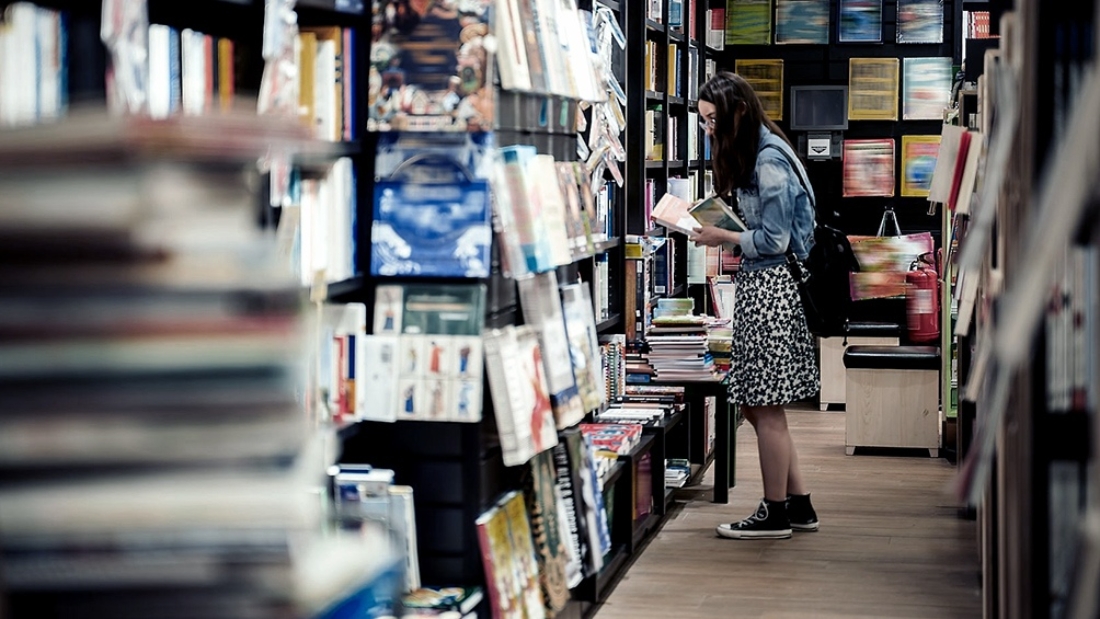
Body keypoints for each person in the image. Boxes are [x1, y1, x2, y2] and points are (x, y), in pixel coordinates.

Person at [692, 71, 821, 540]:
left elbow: (774, 239)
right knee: (757, 405)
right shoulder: (758, 150)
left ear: (738, 112)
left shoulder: (769, 161)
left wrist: (720, 234)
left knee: (764, 407)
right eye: (703, 121)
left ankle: (775, 512)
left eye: (712, 121)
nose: (709, 130)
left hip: (772, 292)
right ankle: (799, 505)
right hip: (760, 288)